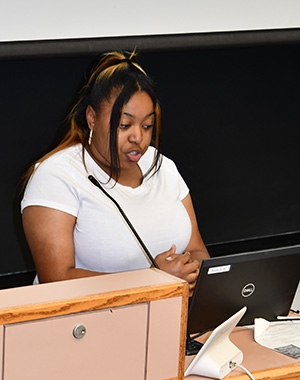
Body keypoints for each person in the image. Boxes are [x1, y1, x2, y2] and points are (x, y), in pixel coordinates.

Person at [21, 50, 209, 289]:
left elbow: (196, 250)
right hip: (85, 324)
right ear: (92, 118)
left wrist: (196, 278)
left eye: (147, 125)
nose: (138, 137)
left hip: (171, 318)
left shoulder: (162, 166)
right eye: (124, 125)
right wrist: (153, 281)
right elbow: (57, 279)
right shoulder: (56, 175)